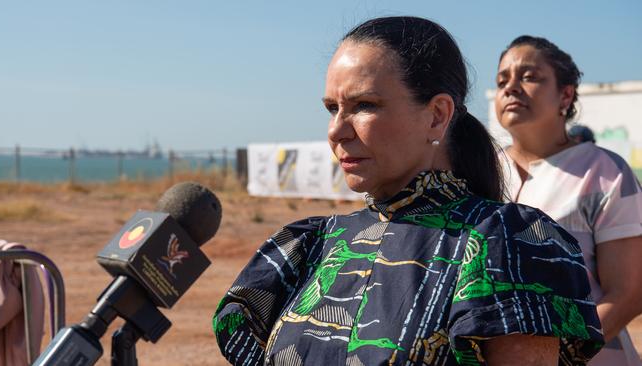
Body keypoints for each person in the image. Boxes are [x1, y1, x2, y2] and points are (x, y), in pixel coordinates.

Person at [214, 17, 603, 365]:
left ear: (437, 115)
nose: (336, 130)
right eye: (332, 108)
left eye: (364, 105)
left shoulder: (504, 244)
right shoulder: (310, 245)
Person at [494, 35, 642, 365]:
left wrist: (556, 358)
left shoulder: (604, 172)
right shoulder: (480, 173)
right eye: (502, 79)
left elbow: (628, 294)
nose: (511, 87)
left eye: (529, 76)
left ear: (565, 94)